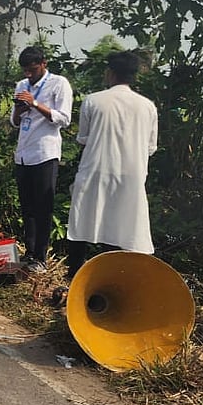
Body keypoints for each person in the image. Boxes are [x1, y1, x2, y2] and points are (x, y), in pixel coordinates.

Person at [65, 51, 157, 279]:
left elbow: (83, 138)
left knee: (81, 225)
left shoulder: (93, 101)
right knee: (120, 227)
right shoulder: (147, 107)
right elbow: (150, 147)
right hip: (131, 175)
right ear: (134, 76)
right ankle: (112, 279)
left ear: (110, 72)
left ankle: (76, 278)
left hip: (96, 170)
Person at [10, 46, 73, 273]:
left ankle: (41, 257)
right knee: (27, 207)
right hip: (24, 153)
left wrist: (35, 104)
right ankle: (29, 251)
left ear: (43, 64)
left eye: (33, 69)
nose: (29, 74)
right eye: (25, 70)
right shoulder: (21, 85)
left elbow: (64, 119)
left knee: (42, 206)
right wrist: (20, 108)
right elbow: (15, 122)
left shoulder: (59, 83)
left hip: (45, 153)